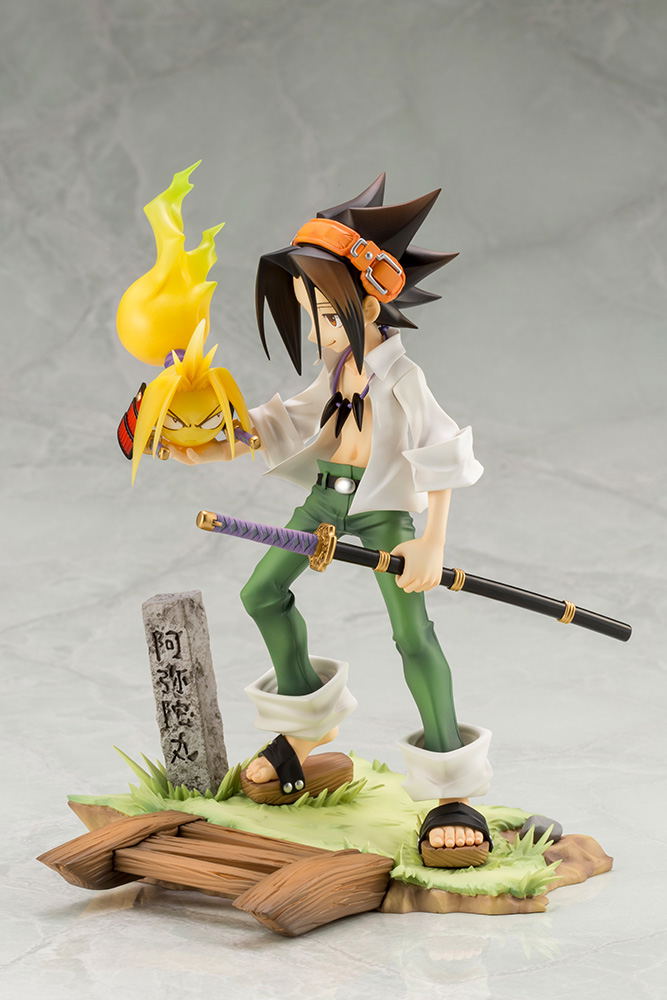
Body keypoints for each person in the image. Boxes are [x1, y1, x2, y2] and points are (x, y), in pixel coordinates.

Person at [169, 175, 494, 868]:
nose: (316, 329)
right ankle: (306, 728)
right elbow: (291, 420)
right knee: (261, 593)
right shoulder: (339, 366)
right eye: (308, 312)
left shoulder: (402, 380)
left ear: (370, 303)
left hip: (382, 511)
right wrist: (216, 442)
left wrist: (431, 542)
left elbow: (440, 453)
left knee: (412, 634)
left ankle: (450, 791)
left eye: (324, 313)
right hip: (326, 499)